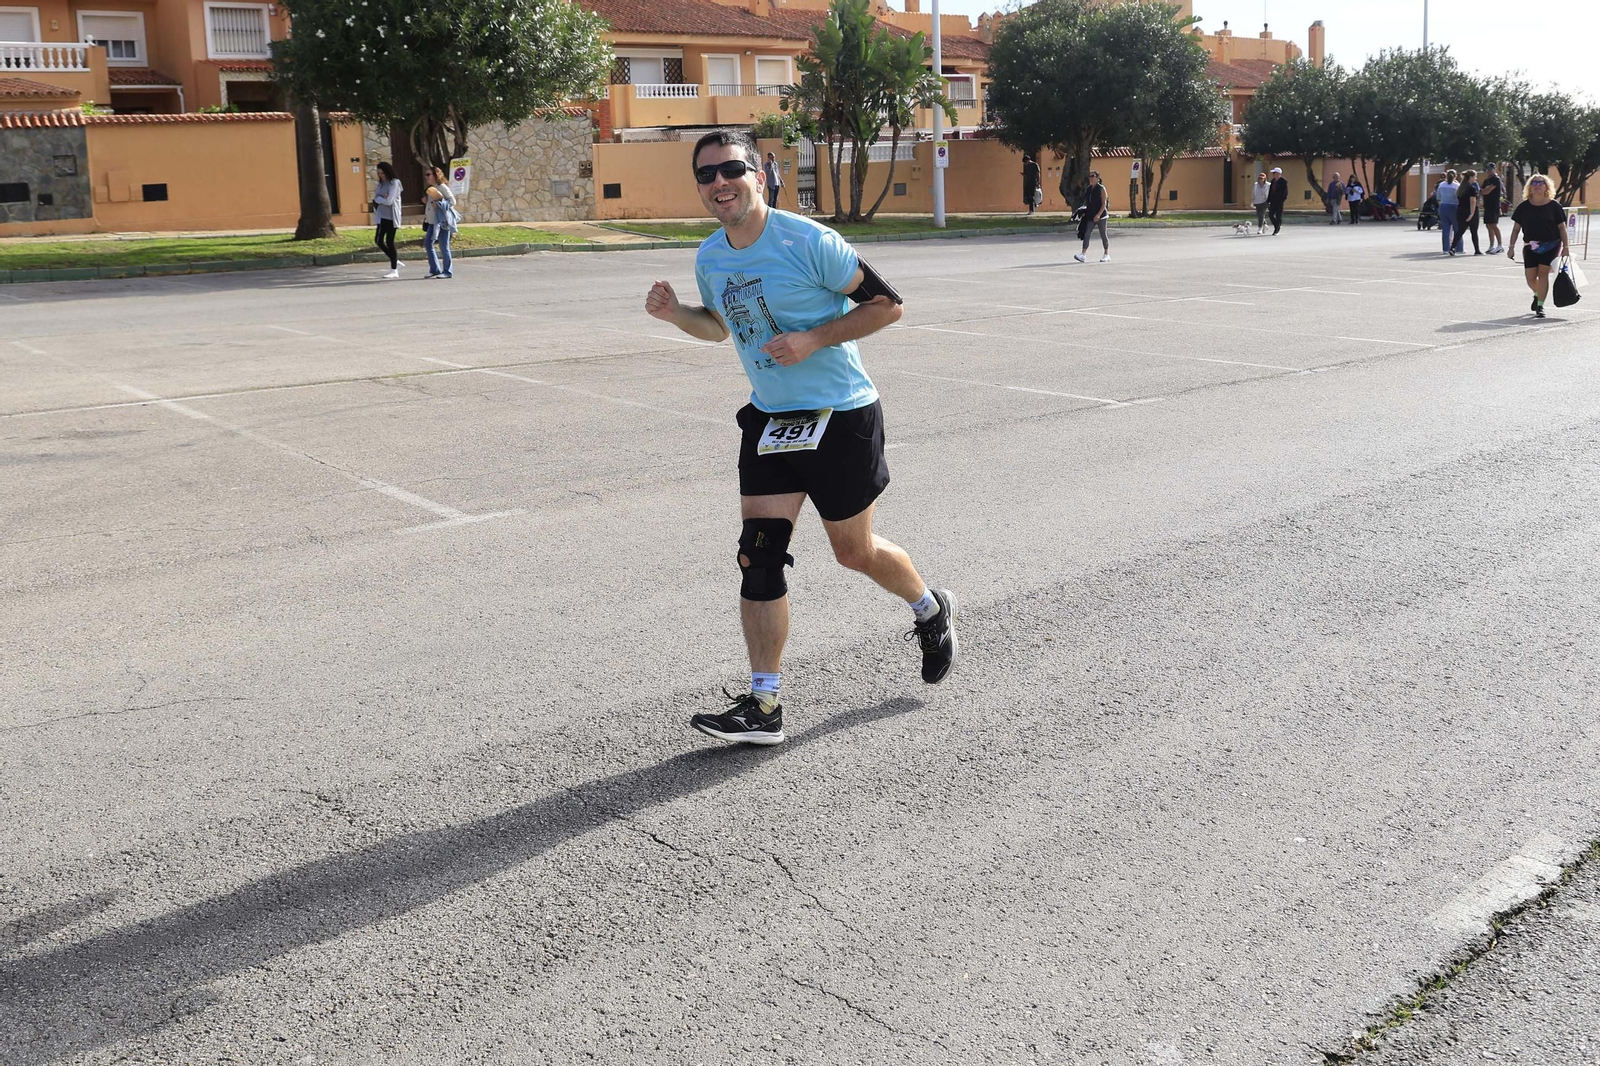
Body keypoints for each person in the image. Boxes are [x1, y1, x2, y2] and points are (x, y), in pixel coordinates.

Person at [643, 129, 957, 746]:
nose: (718, 184)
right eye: (705, 175)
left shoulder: (808, 241)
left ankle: (929, 607)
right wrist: (676, 313)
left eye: (730, 169)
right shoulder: (710, 257)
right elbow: (721, 328)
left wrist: (815, 339)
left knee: (854, 553)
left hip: (840, 414)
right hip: (771, 418)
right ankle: (765, 705)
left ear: (758, 173)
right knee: (757, 555)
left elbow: (887, 304)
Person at [1506, 174, 1569, 319]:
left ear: (1546, 186)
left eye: (1541, 183)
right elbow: (1516, 229)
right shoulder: (1524, 206)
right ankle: (1537, 294)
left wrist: (1566, 247)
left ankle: (1540, 305)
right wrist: (1511, 247)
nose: (1537, 185)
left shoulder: (1554, 206)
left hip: (1551, 244)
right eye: (1534, 183)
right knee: (1530, 278)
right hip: (1530, 246)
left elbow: (1562, 228)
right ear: (1530, 187)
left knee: (1543, 274)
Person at [422, 165, 457, 279]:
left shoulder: (442, 187)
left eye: (428, 174)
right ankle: (434, 269)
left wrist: (440, 204)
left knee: (443, 245)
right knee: (428, 243)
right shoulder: (431, 188)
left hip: (442, 221)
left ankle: (447, 271)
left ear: (435, 175)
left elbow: (452, 201)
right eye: (426, 175)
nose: (426, 177)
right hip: (432, 221)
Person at [372, 162, 403, 279]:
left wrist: (381, 198)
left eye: (383, 173)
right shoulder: (381, 183)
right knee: (379, 241)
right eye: (379, 173)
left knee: (390, 242)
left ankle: (394, 269)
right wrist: (381, 198)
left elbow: (389, 201)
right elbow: (376, 198)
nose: (381, 175)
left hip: (391, 217)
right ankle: (395, 261)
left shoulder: (394, 183)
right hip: (382, 216)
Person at [1073, 170, 1109, 262]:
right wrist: (1084, 211)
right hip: (1091, 215)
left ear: (1097, 178)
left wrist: (1098, 215)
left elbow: (1104, 204)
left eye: (1092, 176)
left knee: (1103, 234)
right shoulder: (1088, 189)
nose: (1090, 178)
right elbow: (1087, 202)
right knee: (1087, 234)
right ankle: (1083, 254)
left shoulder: (1101, 189)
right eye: (1089, 176)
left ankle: (1106, 254)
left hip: (1101, 216)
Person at [1481, 162, 1506, 254]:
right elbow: (1482, 191)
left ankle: (1500, 245)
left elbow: (1488, 191)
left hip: (1494, 205)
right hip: (1487, 205)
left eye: (1490, 169)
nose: (1488, 171)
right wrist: (1486, 189)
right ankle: (1491, 245)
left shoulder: (1496, 179)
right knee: (1488, 225)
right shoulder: (1486, 180)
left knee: (1493, 225)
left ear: (1494, 169)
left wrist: (1487, 189)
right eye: (1487, 170)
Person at [1457, 168, 1481, 255]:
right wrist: (1471, 214)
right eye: (1475, 177)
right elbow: (1473, 201)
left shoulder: (1461, 187)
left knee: (1460, 231)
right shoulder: (1472, 188)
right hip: (1471, 211)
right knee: (1474, 231)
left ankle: (1452, 248)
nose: (1476, 179)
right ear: (1470, 177)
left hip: (1461, 210)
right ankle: (1477, 250)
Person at [1435, 170, 1460, 255]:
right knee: (1457, 229)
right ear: (1455, 176)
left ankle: (1445, 249)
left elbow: (1438, 197)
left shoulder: (1441, 185)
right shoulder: (1456, 186)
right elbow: (1458, 197)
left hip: (1443, 206)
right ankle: (1458, 248)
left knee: (1445, 229)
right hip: (1454, 206)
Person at [1266, 166, 1289, 234]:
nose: (1273, 174)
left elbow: (1285, 192)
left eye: (1274, 173)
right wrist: (1268, 200)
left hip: (1279, 201)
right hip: (1273, 201)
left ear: (1278, 173)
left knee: (1278, 215)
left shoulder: (1283, 181)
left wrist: (1282, 199)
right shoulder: (1273, 181)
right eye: (1273, 173)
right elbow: (1270, 191)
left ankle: (1277, 228)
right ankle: (1277, 225)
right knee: (1271, 215)